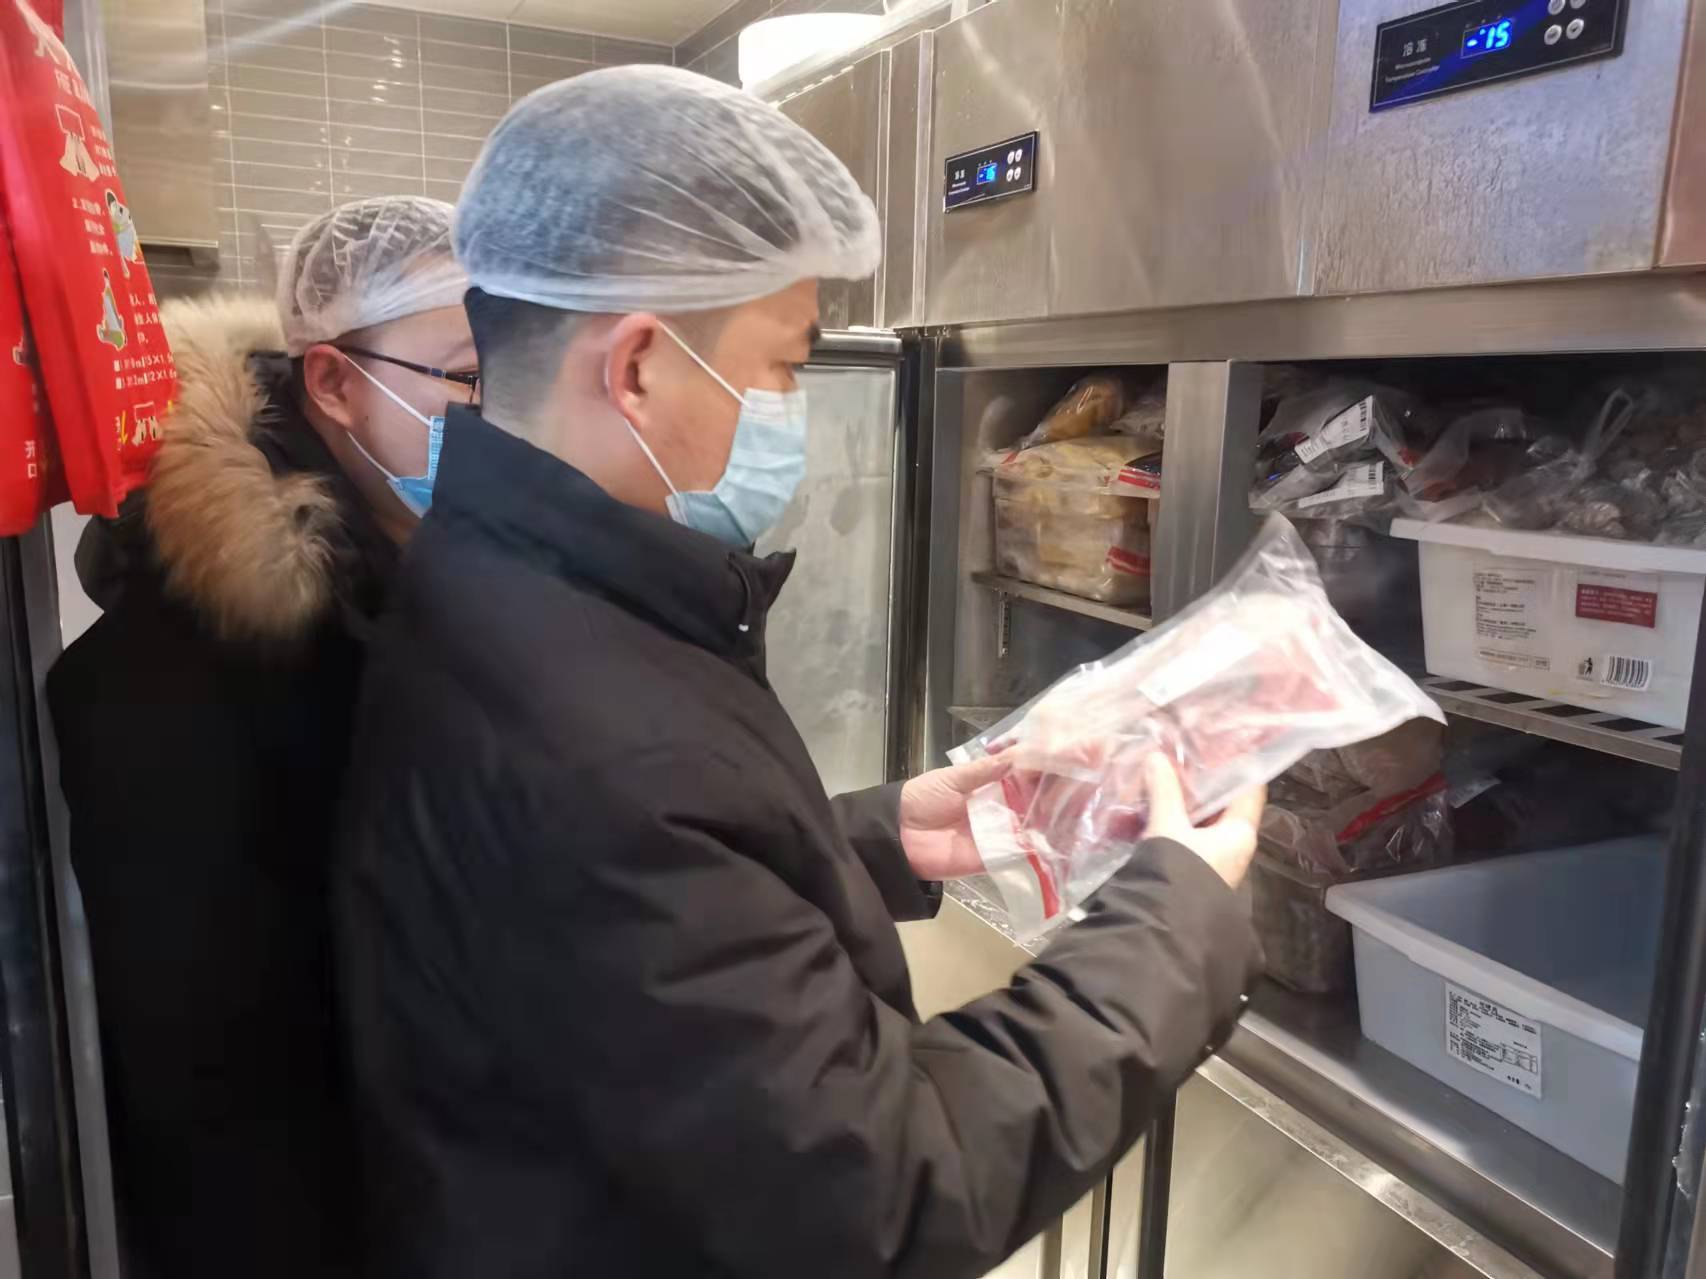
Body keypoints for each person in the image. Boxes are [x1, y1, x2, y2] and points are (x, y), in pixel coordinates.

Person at [335, 66, 1264, 1279]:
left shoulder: (497, 580)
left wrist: (875, 837)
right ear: (635, 366)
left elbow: (641, 930)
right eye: (780, 367)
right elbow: (882, 1192)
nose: (788, 410)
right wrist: (1176, 912)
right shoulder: (579, 722)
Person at [46, 194, 474, 1279]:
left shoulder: (420, 564)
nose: (504, 414)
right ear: (332, 381)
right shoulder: (184, 669)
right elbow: (208, 1069)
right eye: (471, 377)